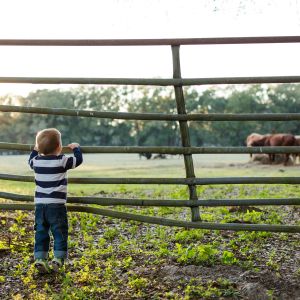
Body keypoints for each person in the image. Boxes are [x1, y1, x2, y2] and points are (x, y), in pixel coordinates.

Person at [28, 128, 83, 273]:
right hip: (56, 206)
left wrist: (35, 151)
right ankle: (58, 258)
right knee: (59, 232)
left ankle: (40, 259)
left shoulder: (36, 161)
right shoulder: (62, 160)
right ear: (59, 147)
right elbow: (78, 160)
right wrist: (76, 148)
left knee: (40, 232)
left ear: (39, 148)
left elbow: (30, 161)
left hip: (40, 205)